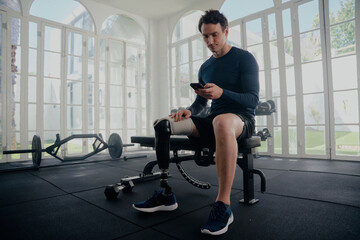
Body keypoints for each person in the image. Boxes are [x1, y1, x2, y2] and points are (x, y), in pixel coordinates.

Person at [132, 9, 259, 236]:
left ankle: (223, 205)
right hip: (213, 121)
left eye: (215, 35)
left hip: (241, 120)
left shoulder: (244, 58)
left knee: (221, 121)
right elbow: (200, 104)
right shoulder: (205, 67)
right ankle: (165, 192)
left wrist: (223, 93)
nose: (210, 41)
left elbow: (252, 100)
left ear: (226, 31)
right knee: (163, 122)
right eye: (205, 36)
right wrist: (188, 111)